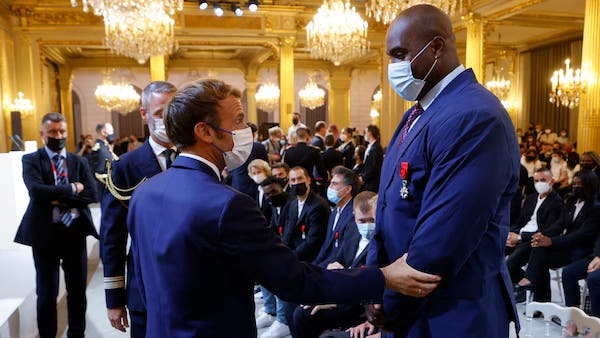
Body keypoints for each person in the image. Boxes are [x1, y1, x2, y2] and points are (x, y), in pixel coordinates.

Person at [127, 79, 442, 337]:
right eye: (237, 121)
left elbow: (142, 281)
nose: (246, 129)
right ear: (206, 132)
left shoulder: (146, 193)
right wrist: (383, 277)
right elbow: (296, 281)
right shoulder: (227, 204)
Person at [369, 5, 520, 336]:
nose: (393, 67)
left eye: (399, 54)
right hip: (407, 305)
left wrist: (388, 300)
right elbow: (386, 209)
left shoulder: (475, 115)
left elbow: (441, 243)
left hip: (451, 315)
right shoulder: (419, 113)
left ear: (436, 47)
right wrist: (374, 283)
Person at [99, 81, 177, 337]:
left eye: (173, 110)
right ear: (144, 114)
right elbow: (113, 237)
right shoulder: (125, 167)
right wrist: (114, 298)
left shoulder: (196, 159)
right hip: (145, 285)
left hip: (191, 285)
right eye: (159, 113)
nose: (167, 119)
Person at [15, 112, 98, 338]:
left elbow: (91, 193)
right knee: (46, 292)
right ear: (42, 134)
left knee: (77, 291)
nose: (58, 135)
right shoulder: (31, 160)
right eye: (52, 132)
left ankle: (76, 334)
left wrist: (55, 195)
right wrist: (73, 189)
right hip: (45, 235)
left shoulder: (79, 161)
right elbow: (36, 191)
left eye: (62, 131)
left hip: (74, 233)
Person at [293, 191, 379, 338]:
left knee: (307, 316)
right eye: (362, 221)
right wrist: (335, 264)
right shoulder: (352, 229)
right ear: (354, 215)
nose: (367, 226)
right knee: (298, 310)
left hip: (359, 306)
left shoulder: (383, 240)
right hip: (342, 291)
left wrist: (336, 300)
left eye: (372, 220)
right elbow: (340, 257)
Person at [514, 170, 600, 302]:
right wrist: (541, 236)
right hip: (568, 248)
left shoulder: (595, 208)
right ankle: (541, 301)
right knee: (539, 249)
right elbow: (559, 224)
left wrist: (551, 241)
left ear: (589, 185)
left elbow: (579, 235)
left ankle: (573, 312)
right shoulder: (571, 202)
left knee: (565, 269)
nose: (576, 187)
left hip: (583, 250)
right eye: (574, 184)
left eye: (580, 184)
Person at [89, 122, 116, 202]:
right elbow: (99, 173)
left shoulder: (105, 147)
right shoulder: (99, 149)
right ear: (103, 132)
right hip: (103, 189)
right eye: (111, 131)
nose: (113, 134)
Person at [359, 125, 383, 193]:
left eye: (365, 132)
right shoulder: (371, 146)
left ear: (370, 133)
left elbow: (374, 167)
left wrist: (363, 178)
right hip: (367, 182)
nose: (364, 134)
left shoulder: (376, 148)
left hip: (372, 183)